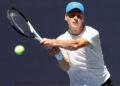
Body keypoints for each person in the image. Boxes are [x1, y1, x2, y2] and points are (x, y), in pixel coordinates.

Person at [40, 1, 114, 86]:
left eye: (79, 16)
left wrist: (54, 42)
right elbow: (66, 67)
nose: (75, 18)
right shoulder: (61, 39)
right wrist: (58, 54)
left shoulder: (92, 33)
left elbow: (76, 44)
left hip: (102, 83)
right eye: (71, 15)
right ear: (66, 17)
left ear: (83, 18)